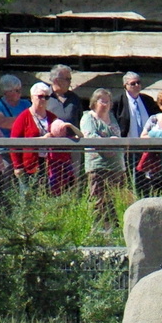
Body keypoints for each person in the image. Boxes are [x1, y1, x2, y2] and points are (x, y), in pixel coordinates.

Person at [79, 88, 126, 228]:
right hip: (98, 166)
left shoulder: (112, 117)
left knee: (117, 199)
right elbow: (90, 136)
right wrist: (108, 145)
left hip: (117, 166)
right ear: (94, 102)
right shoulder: (89, 117)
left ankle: (116, 229)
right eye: (102, 101)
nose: (105, 104)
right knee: (99, 199)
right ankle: (97, 229)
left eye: (108, 101)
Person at [111, 71, 159, 185]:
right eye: (133, 83)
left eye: (138, 83)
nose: (137, 86)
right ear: (125, 86)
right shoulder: (118, 102)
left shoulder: (148, 100)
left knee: (148, 178)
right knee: (130, 177)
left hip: (147, 146)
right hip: (128, 147)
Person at [10, 82, 58, 194]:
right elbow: (14, 142)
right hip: (29, 166)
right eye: (40, 96)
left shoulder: (52, 117)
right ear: (32, 97)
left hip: (49, 165)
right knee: (28, 198)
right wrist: (17, 166)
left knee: (47, 197)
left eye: (46, 97)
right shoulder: (23, 117)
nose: (43, 99)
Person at [44, 64, 83, 194]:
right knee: (53, 182)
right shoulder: (45, 97)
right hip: (52, 148)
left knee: (73, 181)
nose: (70, 82)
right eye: (67, 79)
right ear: (56, 80)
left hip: (73, 147)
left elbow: (80, 120)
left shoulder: (74, 99)